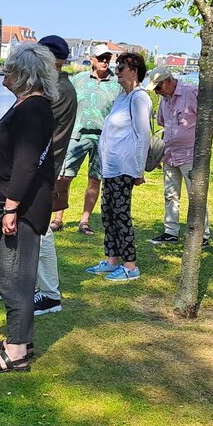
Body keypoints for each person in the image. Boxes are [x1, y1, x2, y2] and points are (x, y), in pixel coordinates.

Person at [0, 44, 58, 372]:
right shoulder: (25, 106)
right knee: (9, 274)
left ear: (25, 75)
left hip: (21, 209)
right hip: (11, 205)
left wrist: (11, 208)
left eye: (10, 70)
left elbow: (26, 163)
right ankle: (18, 336)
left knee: (15, 277)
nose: (4, 75)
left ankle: (17, 350)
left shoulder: (34, 109)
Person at [87, 52, 152, 281]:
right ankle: (112, 259)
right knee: (108, 213)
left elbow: (144, 135)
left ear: (134, 71)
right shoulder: (122, 97)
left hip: (125, 167)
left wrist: (139, 170)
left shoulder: (139, 98)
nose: (117, 70)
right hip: (111, 167)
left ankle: (130, 265)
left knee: (121, 214)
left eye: (122, 67)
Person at [51, 43, 120, 235]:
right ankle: (57, 218)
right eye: (101, 58)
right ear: (92, 59)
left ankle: (85, 220)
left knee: (94, 179)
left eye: (108, 58)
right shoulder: (77, 80)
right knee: (63, 177)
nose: (105, 61)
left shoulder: (117, 84)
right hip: (76, 135)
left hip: (103, 139)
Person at [34, 34, 78, 313]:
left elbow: (38, 130)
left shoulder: (59, 91)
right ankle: (31, 285)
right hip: (40, 164)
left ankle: (50, 294)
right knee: (33, 229)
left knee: (40, 229)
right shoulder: (52, 87)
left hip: (43, 166)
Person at [148, 66, 210, 246]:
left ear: (167, 81)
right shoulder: (164, 100)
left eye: (158, 88)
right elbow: (162, 123)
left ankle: (202, 234)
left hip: (191, 155)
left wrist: (204, 149)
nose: (157, 92)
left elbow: (208, 119)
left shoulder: (191, 93)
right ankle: (170, 231)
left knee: (196, 195)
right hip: (169, 154)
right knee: (170, 194)